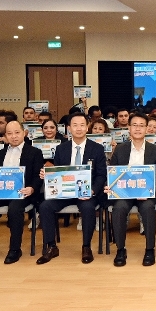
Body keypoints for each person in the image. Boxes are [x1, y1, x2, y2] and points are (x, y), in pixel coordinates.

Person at [0, 120, 43, 265]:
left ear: (24, 133)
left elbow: (38, 176)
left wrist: (32, 188)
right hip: (0, 192)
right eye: (9, 133)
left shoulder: (34, 152)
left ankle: (15, 249)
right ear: (5, 136)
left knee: (14, 209)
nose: (14, 136)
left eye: (17, 132)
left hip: (22, 193)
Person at [38, 113, 106, 264]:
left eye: (82, 125)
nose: (79, 128)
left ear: (87, 127)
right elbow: (57, 172)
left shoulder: (97, 149)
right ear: (69, 128)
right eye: (75, 125)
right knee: (45, 206)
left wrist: (92, 191)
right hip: (65, 192)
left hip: (87, 192)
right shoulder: (61, 149)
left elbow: (101, 175)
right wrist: (47, 175)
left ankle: (86, 247)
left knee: (88, 208)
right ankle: (51, 246)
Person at [107, 112, 156, 267]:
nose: (138, 129)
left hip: (146, 193)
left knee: (148, 208)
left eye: (141, 126)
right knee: (119, 208)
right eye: (134, 125)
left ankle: (149, 249)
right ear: (129, 128)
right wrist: (110, 186)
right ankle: (120, 249)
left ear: (147, 128)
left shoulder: (155, 150)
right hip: (125, 193)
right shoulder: (120, 149)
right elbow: (113, 173)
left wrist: (148, 191)